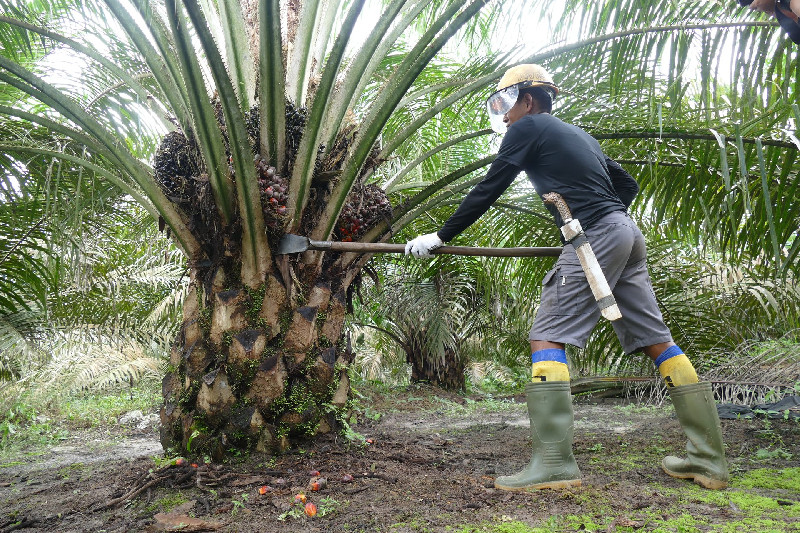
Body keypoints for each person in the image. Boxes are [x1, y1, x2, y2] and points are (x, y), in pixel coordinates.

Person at [404, 64, 729, 491]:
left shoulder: (529, 127)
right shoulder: (580, 135)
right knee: (658, 340)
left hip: (596, 237)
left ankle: (555, 463)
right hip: (627, 234)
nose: (503, 116)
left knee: (547, 335)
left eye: (504, 104)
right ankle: (708, 460)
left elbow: (490, 187)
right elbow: (626, 185)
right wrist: (596, 215)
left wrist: (440, 235)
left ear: (528, 99)